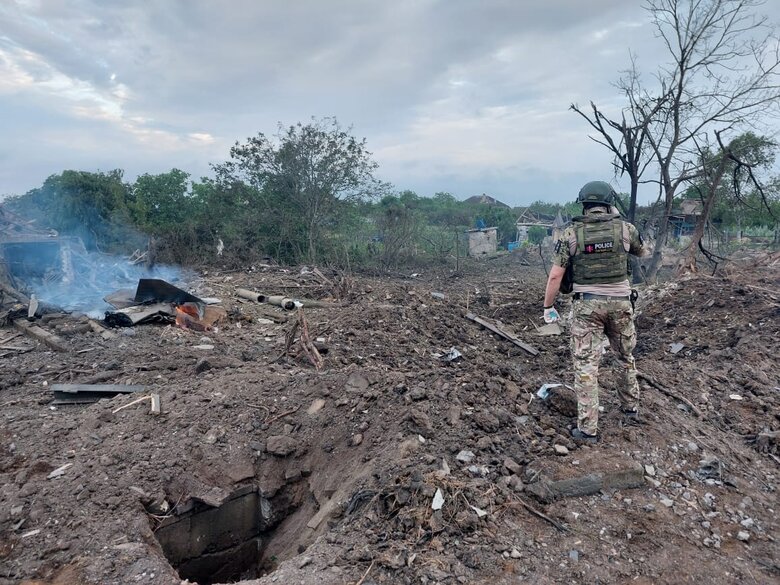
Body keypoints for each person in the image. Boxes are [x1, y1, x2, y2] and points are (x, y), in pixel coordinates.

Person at [542, 181, 647, 444]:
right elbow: (642, 251)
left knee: (586, 366)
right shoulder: (626, 229)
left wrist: (547, 306)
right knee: (625, 357)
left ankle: (588, 430)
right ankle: (630, 408)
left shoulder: (570, 234)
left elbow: (556, 276)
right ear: (609, 202)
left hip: (587, 306)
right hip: (622, 304)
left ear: (584, 205)